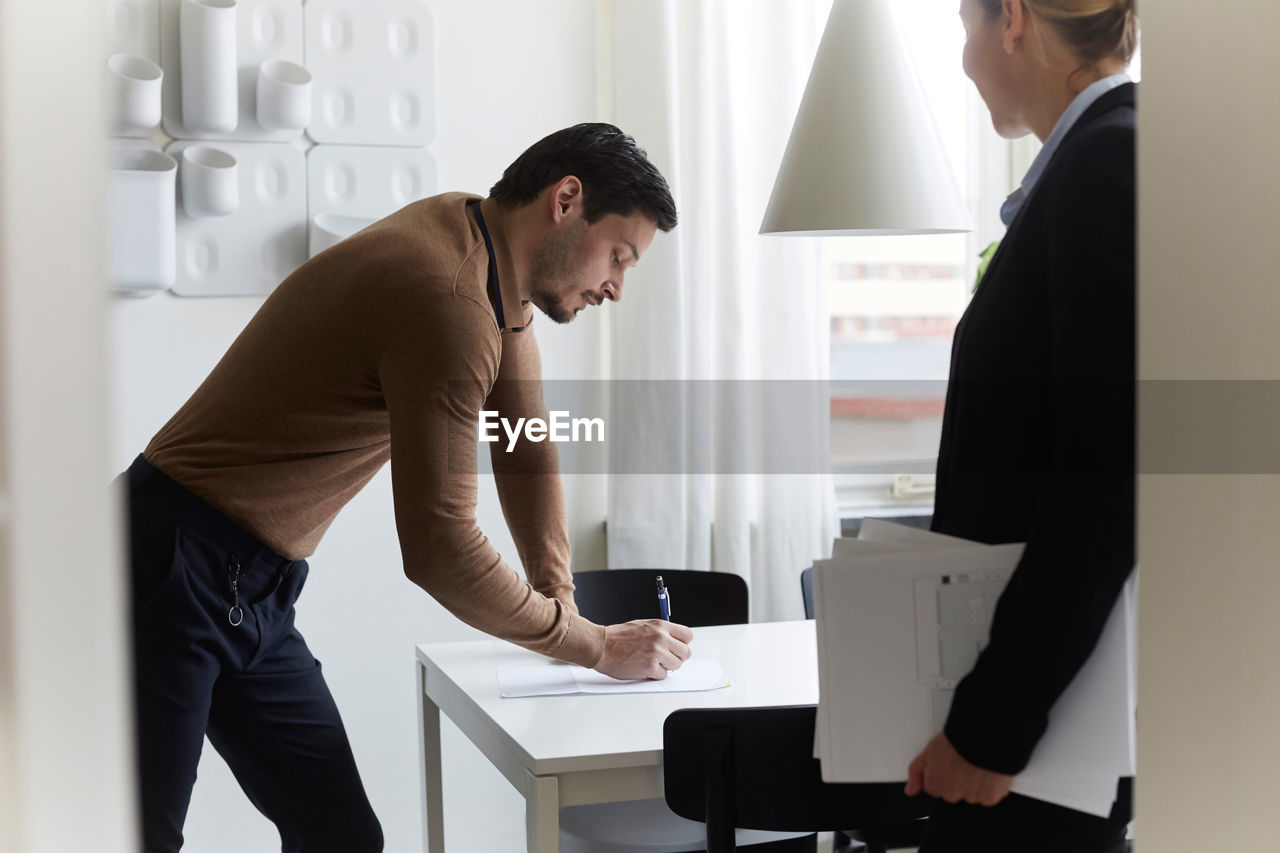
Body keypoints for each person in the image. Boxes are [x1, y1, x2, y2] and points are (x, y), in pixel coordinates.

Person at [123, 122, 689, 853]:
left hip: (251, 585)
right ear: (567, 200)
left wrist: (564, 604)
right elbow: (439, 545)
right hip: (167, 563)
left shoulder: (485, 255)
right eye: (619, 255)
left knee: (341, 836)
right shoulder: (447, 298)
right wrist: (591, 646)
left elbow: (523, 444)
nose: (615, 284)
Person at [902, 1, 1138, 851]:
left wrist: (990, 728)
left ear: (1013, 21)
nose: (965, 61)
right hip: (1037, 728)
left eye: (966, 27)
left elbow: (1106, 485)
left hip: (1039, 744)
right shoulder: (1089, 165)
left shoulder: (1109, 165)